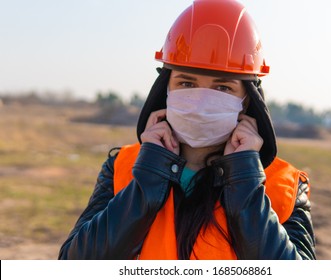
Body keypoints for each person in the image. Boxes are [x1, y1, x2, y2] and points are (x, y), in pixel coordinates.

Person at [59, 0, 316, 260]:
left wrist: (245, 183)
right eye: (187, 83)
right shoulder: (124, 168)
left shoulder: (281, 185)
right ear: (166, 90)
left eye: (222, 88)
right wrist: (149, 179)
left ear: (247, 100)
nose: (201, 101)